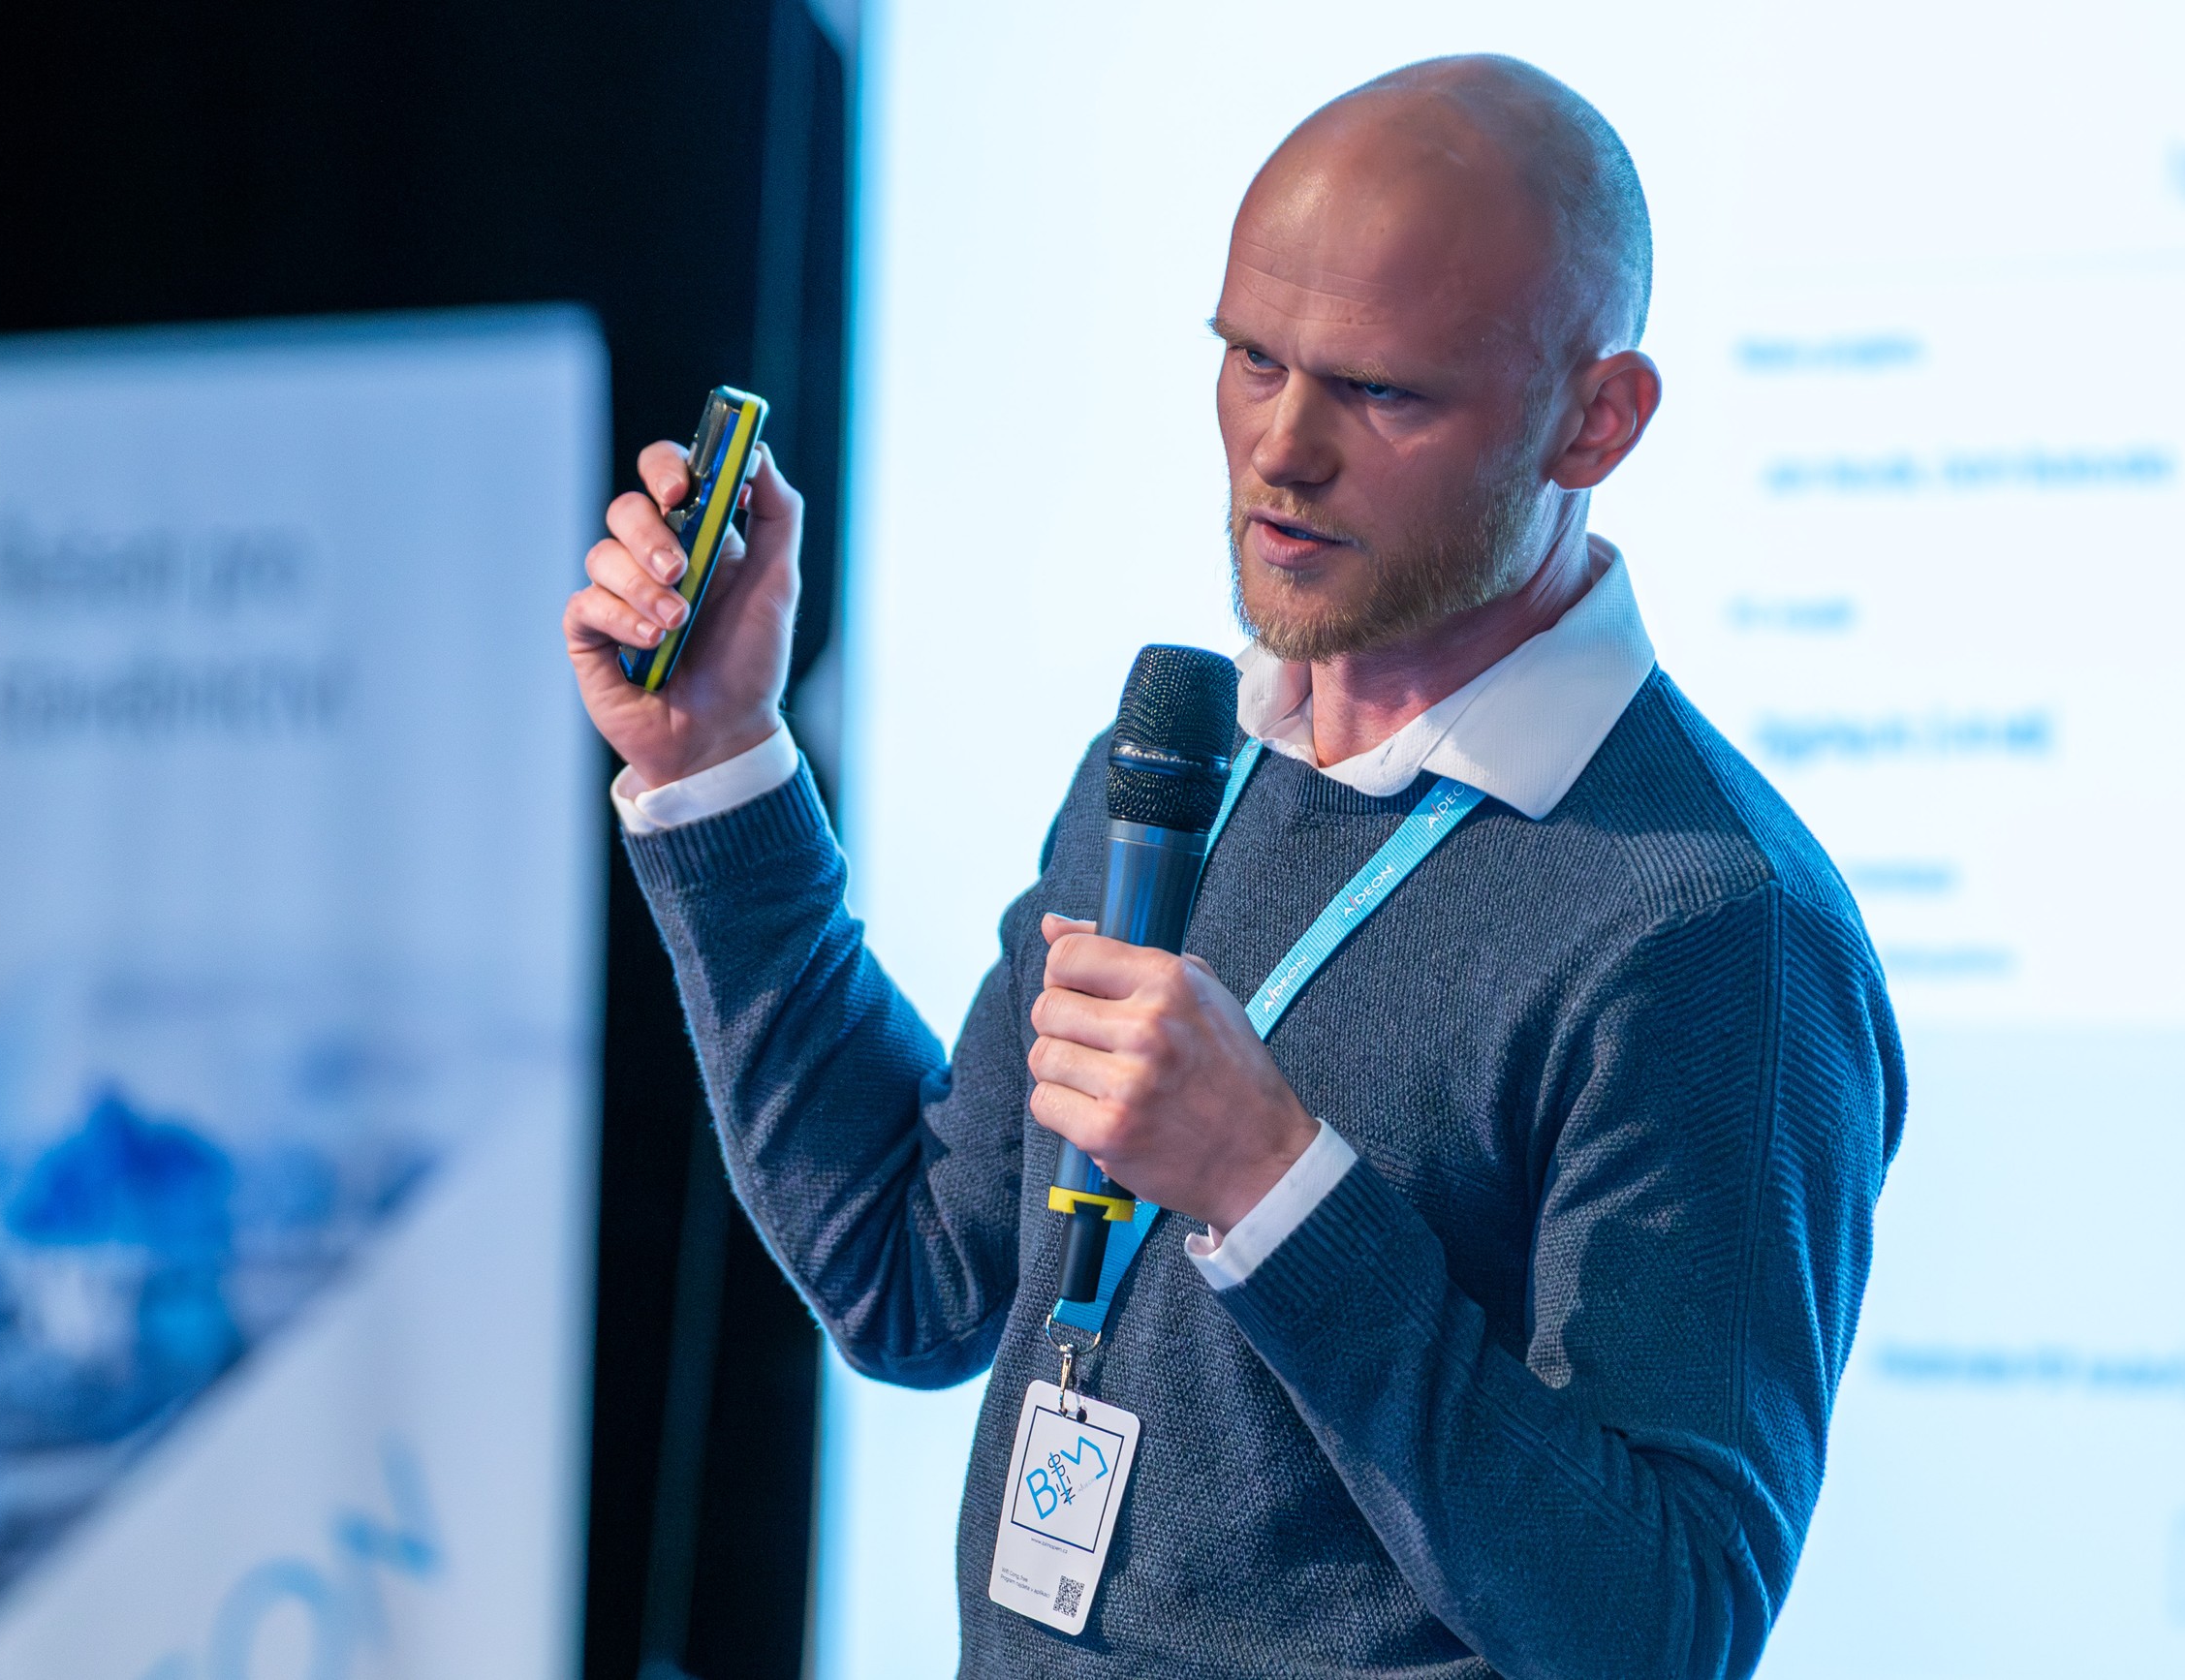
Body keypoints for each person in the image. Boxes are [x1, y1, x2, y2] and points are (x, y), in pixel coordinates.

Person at [565, 52, 1904, 1680]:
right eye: (1251, 358)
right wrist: (715, 765)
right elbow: (916, 1277)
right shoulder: (1177, 774)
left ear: (1596, 419)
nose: (1280, 449)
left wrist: (1277, 1187)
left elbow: (1661, 1624)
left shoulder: (1714, 925)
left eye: (1382, 392)